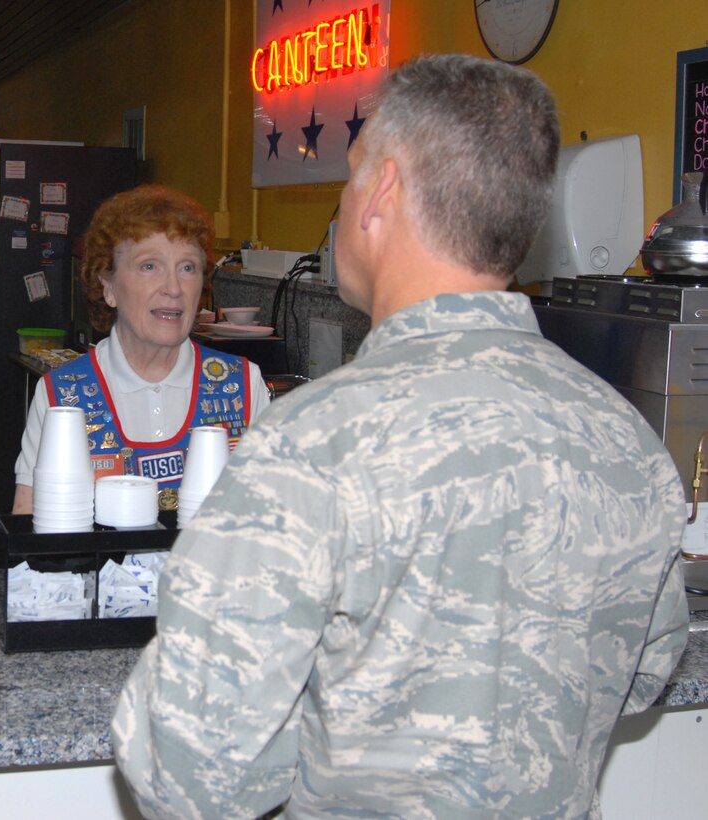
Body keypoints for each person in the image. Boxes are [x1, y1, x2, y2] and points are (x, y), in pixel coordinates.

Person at [112, 54, 689, 818]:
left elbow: (189, 768)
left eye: (349, 179)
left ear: (380, 190)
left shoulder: (310, 446)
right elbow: (643, 672)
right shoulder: (626, 438)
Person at [12, 184, 270, 513]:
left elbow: (274, 518)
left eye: (187, 267)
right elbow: (30, 520)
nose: (174, 288)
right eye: (150, 266)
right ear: (108, 286)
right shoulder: (61, 396)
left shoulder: (243, 386)